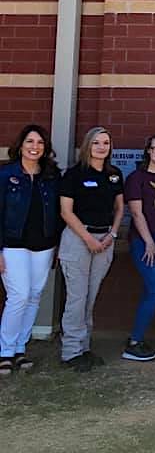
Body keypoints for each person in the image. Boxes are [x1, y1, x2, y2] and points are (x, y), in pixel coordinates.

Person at [58, 127, 124, 371]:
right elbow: (66, 212)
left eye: (106, 142)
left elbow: (120, 208)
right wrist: (88, 239)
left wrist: (112, 234)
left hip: (105, 239)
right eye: (96, 142)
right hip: (78, 239)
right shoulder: (74, 175)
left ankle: (84, 348)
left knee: (90, 297)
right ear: (88, 145)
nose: (101, 147)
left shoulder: (114, 175)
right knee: (77, 298)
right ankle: (71, 352)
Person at [0, 125, 61, 374]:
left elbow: (58, 213)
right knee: (19, 295)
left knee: (34, 295)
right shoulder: (6, 174)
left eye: (40, 143)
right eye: (30, 141)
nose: (35, 147)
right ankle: (5, 351)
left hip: (43, 245)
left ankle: (20, 349)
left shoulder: (51, 176)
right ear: (21, 145)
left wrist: (56, 244)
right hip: (12, 245)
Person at [123, 134, 155, 363]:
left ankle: (138, 338)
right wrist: (149, 242)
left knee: (152, 290)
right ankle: (134, 342)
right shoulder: (136, 178)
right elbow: (136, 213)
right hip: (144, 241)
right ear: (148, 150)